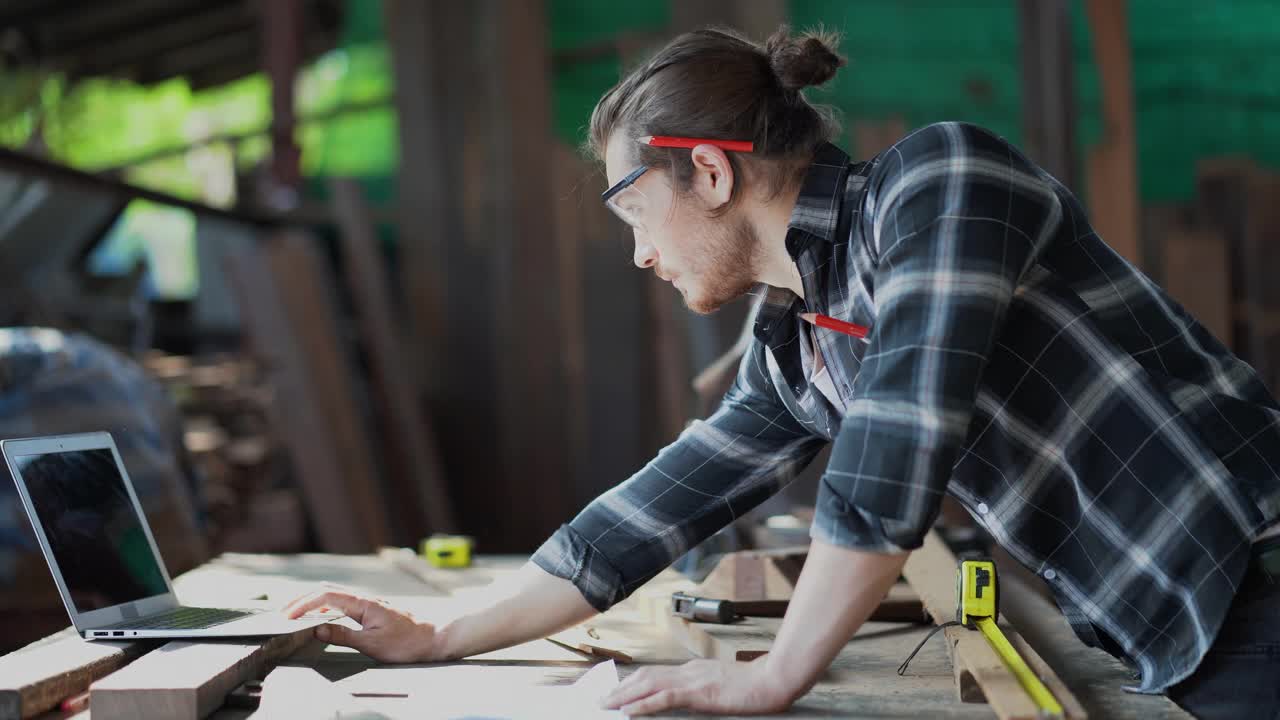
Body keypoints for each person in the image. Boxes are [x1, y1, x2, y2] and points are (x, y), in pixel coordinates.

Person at [286, 26, 1280, 718]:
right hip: (1176, 629)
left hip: (1254, 574)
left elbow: (899, 435)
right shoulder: (799, 344)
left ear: (708, 173)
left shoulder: (939, 183)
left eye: (632, 212)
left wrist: (776, 676)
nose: (638, 254)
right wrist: (439, 636)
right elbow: (650, 511)